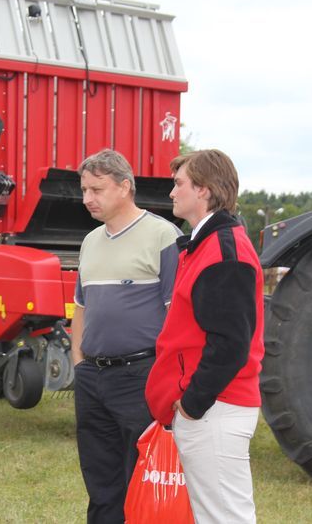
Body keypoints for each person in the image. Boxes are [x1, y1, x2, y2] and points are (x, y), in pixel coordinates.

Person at [145, 149, 265, 523]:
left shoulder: (223, 250)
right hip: (212, 408)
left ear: (205, 190)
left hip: (214, 409)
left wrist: (192, 404)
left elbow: (231, 343)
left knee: (224, 517)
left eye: (179, 184)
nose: (171, 193)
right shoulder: (208, 244)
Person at [72, 149, 181, 524]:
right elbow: (81, 309)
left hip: (141, 376)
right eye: (84, 189)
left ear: (125, 187)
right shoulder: (89, 241)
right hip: (92, 378)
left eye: (96, 189)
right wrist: (79, 367)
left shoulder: (164, 236)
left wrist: (168, 378)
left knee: (141, 476)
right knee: (100, 479)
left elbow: (177, 316)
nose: (87, 198)